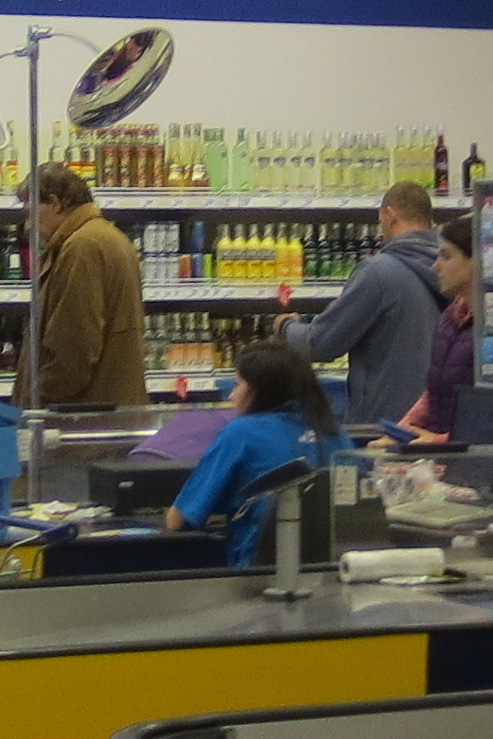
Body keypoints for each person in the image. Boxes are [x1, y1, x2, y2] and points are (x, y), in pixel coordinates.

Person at [289, 179, 449, 430]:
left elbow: (320, 343)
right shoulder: (450, 268)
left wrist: (287, 327)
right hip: (435, 424)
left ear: (390, 215)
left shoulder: (378, 272)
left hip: (383, 428)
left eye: (380, 219)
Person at [172, 339, 338, 567]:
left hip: (257, 573)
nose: (232, 395)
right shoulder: (331, 429)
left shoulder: (240, 433)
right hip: (331, 569)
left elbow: (179, 519)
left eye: (237, 384)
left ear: (259, 391)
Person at [28, 162, 146, 410]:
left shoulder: (81, 247)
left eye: (31, 211)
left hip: (87, 412)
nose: (28, 224)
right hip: (114, 406)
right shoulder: (107, 235)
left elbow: (74, 348)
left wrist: (39, 396)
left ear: (55, 203)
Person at [398, 219, 477, 446]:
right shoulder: (449, 320)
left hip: (482, 458)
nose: (435, 266)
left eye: (447, 256)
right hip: (447, 457)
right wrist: (401, 430)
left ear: (476, 262)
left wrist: (440, 441)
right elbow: (434, 395)